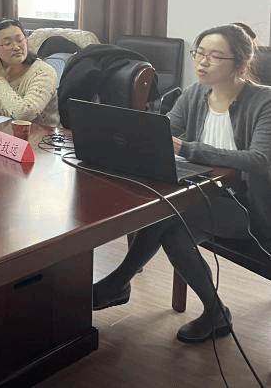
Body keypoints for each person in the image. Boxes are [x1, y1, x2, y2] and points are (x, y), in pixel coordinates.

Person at [92, 24, 271, 344]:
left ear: (240, 63)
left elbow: (260, 160)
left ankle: (119, 281)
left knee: (170, 213)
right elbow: (162, 132)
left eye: (214, 56)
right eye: (199, 53)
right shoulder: (195, 94)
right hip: (205, 197)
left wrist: (189, 149)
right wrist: (120, 138)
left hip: (249, 206)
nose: (202, 62)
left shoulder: (264, 101)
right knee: (174, 232)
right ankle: (215, 312)